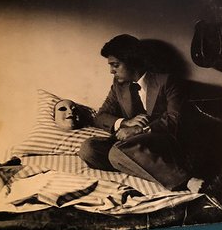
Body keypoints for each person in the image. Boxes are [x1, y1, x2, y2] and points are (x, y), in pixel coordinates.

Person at [79, 34, 204, 192]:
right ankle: (139, 166)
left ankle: (185, 181)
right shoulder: (119, 85)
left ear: (132, 61)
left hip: (160, 140)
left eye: (115, 65)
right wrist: (125, 123)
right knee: (89, 148)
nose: (111, 71)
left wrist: (140, 130)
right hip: (129, 144)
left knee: (117, 152)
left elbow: (174, 119)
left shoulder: (167, 81)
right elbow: (100, 116)